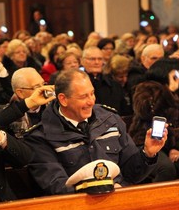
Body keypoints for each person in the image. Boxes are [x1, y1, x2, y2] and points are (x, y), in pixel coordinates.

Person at [24, 69, 168, 195]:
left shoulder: (110, 119)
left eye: (92, 93)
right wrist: (104, 190)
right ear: (63, 99)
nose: (91, 101)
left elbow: (131, 175)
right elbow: (57, 186)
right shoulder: (40, 137)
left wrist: (148, 154)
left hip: (120, 197)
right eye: (83, 97)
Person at [129, 58, 179, 180]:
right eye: (175, 74)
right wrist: (166, 91)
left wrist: (177, 147)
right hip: (146, 141)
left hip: (171, 144)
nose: (178, 77)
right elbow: (145, 111)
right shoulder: (145, 88)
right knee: (166, 168)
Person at [0, 67, 55, 139]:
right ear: (20, 93)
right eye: (37, 87)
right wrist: (28, 103)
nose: (43, 89)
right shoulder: (7, 110)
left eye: (43, 84)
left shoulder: (52, 105)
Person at [81, 46, 126, 115]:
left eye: (100, 59)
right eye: (92, 59)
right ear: (82, 61)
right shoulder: (78, 85)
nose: (97, 62)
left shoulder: (114, 85)